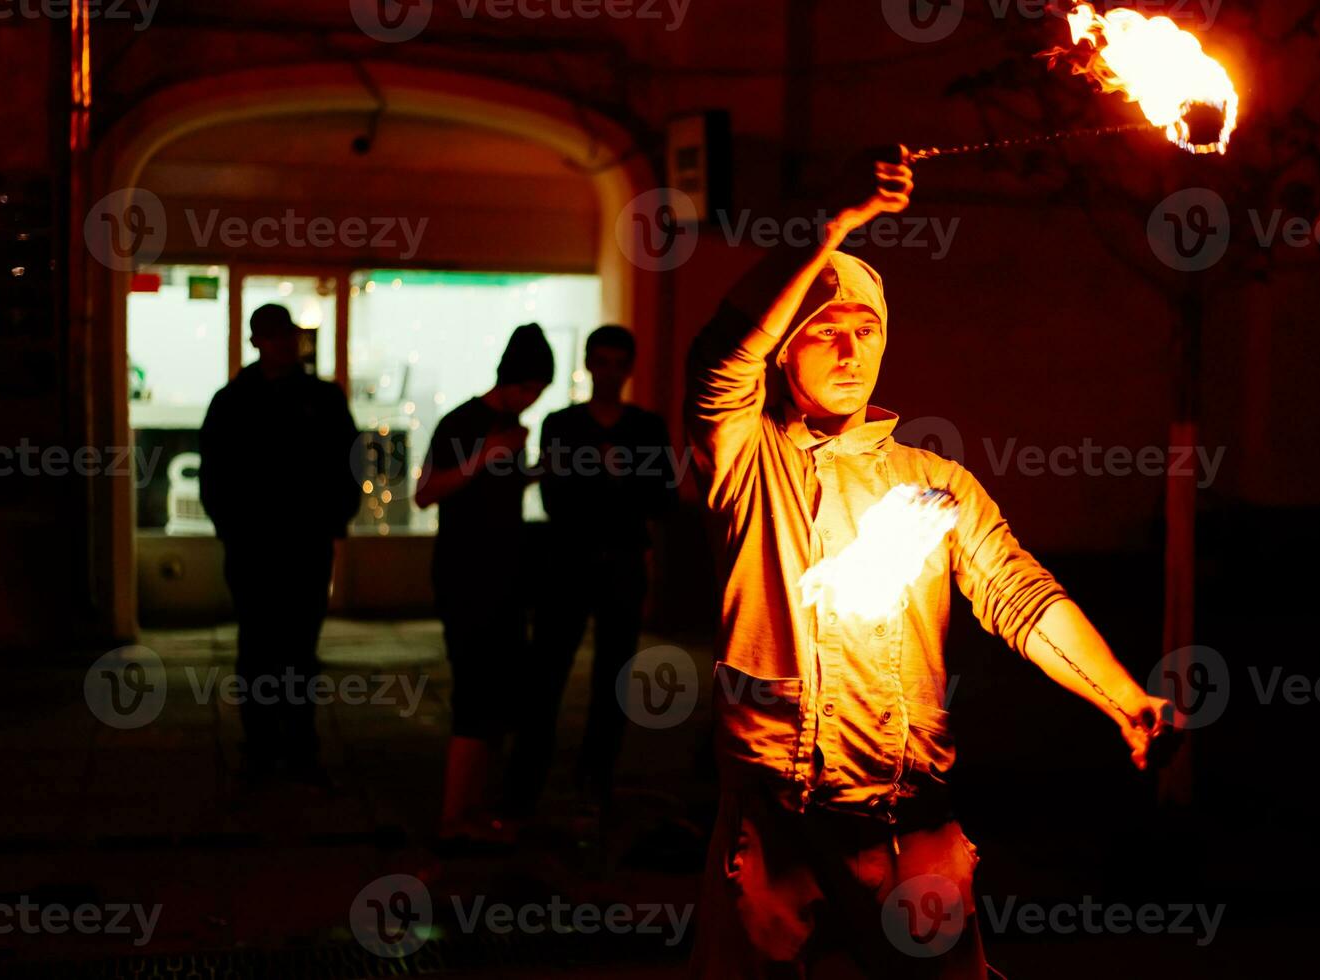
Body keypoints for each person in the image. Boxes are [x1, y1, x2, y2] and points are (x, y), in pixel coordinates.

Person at [683, 149, 1174, 978]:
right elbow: (719, 353)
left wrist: (1123, 698)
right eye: (823, 332)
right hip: (779, 824)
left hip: (913, 825)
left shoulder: (934, 482)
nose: (849, 351)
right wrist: (833, 224)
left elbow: (1019, 593)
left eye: (866, 331)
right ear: (784, 351)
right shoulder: (744, 460)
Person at [510, 325, 678, 819]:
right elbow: (554, 496)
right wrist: (608, 481)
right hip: (568, 563)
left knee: (613, 679)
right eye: (599, 362)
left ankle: (594, 780)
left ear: (629, 368)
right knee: (547, 674)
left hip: (621, 564)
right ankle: (527, 783)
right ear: (587, 364)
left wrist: (616, 478)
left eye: (616, 363)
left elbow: (663, 497)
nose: (607, 372)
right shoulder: (562, 424)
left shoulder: (646, 428)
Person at [199, 303, 361, 784]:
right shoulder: (238, 401)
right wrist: (232, 526)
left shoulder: (287, 399)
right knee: (265, 644)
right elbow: (215, 475)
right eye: (275, 336)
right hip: (262, 544)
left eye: (286, 335)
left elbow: (348, 465)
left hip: (295, 542)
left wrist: (334, 520)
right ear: (258, 341)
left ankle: (287, 740)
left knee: (292, 644)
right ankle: (272, 741)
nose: (284, 344)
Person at [416, 323, 553, 846]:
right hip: (467, 577)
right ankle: (454, 817)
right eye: (533, 388)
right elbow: (427, 492)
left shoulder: (512, 427)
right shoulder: (465, 422)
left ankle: (474, 810)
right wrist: (484, 457)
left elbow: (501, 490)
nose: (534, 399)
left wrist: (534, 469)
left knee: (496, 695)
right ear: (516, 380)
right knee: (475, 693)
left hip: (504, 577)